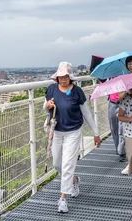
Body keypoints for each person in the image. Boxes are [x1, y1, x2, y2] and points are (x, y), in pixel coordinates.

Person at [45, 61, 102, 213]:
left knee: (68, 164)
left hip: (73, 132)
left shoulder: (77, 91)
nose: (62, 80)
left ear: (70, 77)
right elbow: (45, 107)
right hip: (57, 131)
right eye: (60, 77)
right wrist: (47, 106)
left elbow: (86, 113)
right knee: (57, 164)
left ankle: (63, 199)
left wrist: (96, 133)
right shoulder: (51, 89)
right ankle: (74, 180)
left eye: (65, 77)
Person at [90, 55, 127, 163]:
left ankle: (122, 152)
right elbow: (94, 72)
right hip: (112, 104)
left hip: (122, 104)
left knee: (122, 129)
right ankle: (118, 149)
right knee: (114, 128)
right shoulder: (107, 78)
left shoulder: (124, 76)